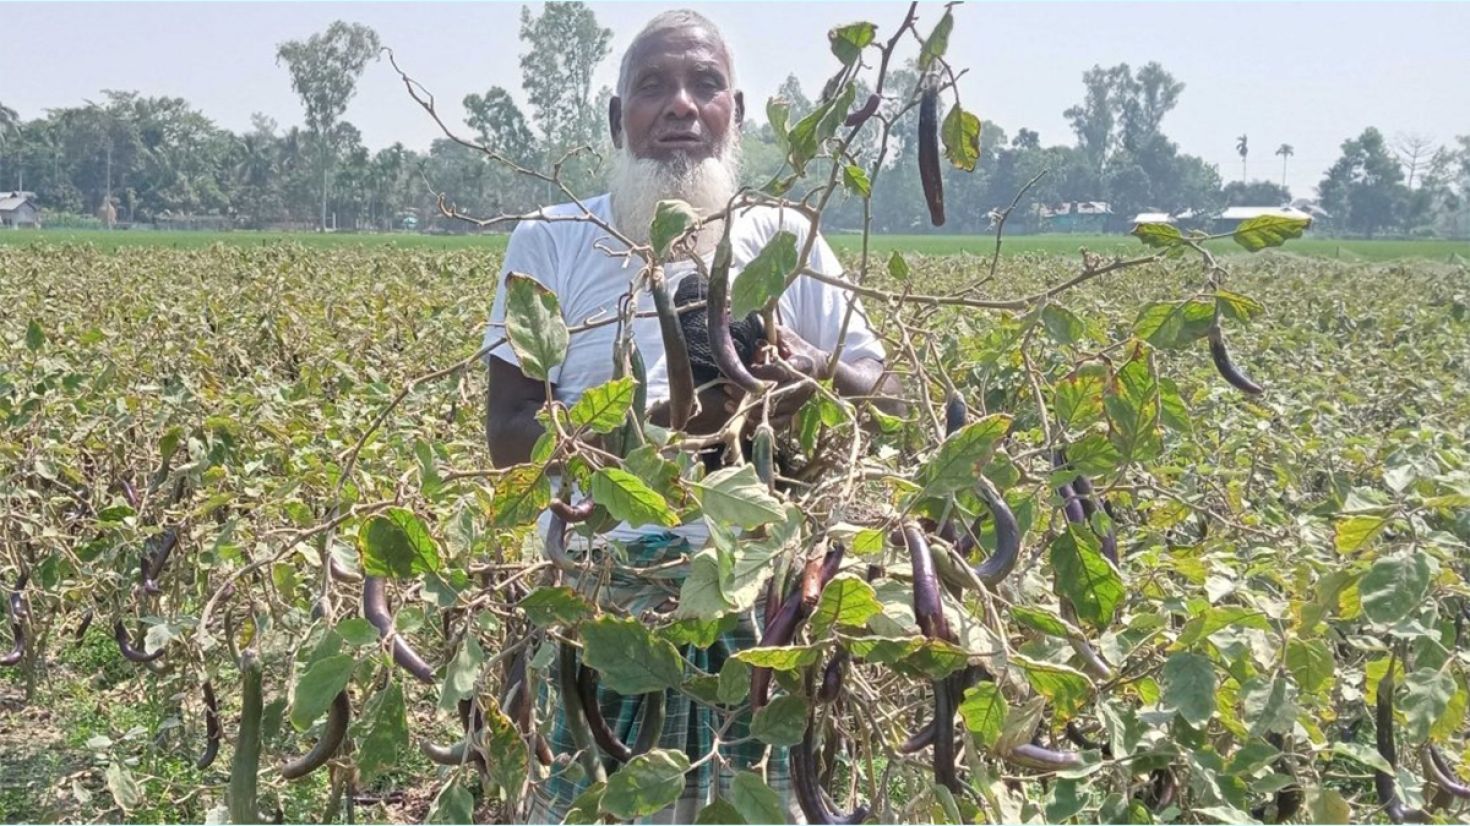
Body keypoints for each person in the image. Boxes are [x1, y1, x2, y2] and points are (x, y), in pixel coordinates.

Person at [483, 9, 898, 822]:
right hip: (600, 608)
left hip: (768, 612)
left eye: (706, 85)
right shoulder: (553, 242)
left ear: (735, 115)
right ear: (617, 119)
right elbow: (506, 436)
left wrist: (812, 374)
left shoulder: (787, 239)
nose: (681, 105)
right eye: (653, 87)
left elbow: (884, 400)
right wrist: (648, 439)